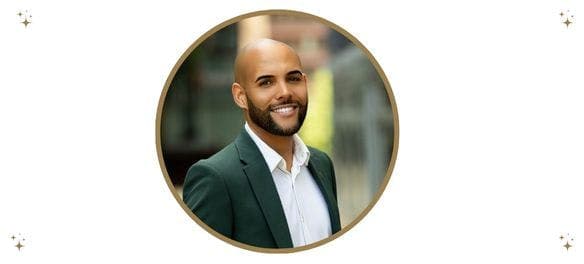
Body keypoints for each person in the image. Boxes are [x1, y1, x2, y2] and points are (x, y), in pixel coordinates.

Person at [182, 39, 341, 249]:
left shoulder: (321, 164)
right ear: (241, 96)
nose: (285, 92)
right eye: (266, 82)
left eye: (293, 79)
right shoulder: (216, 178)